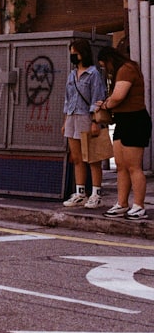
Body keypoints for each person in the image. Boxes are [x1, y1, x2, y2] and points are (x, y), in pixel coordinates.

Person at [95, 46, 151, 220]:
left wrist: (104, 105)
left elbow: (118, 96)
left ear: (110, 59)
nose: (106, 69)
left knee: (134, 166)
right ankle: (122, 203)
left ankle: (139, 206)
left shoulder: (127, 69)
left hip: (135, 120)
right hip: (123, 120)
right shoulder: (120, 70)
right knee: (121, 165)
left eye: (105, 65)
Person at [61, 39, 107, 209]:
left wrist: (95, 121)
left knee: (92, 158)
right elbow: (68, 99)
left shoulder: (93, 74)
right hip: (73, 116)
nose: (73, 55)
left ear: (83, 53)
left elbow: (97, 98)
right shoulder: (72, 75)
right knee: (77, 157)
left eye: (75, 52)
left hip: (86, 117)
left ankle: (96, 193)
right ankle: (80, 192)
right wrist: (66, 121)